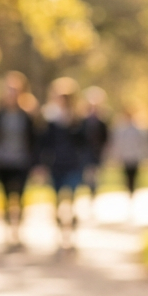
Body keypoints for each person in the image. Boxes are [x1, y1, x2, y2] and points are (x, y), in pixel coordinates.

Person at [0, 71, 41, 250]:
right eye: (9, 89)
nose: (11, 93)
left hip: (21, 161)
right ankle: (9, 232)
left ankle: (18, 232)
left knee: (20, 197)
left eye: (15, 90)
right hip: (3, 161)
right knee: (6, 198)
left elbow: (35, 140)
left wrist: (36, 163)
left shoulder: (27, 115)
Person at [41, 78, 88, 250]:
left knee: (71, 197)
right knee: (58, 199)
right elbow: (44, 142)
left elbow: (84, 143)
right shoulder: (50, 118)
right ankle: (61, 230)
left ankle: (71, 228)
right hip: (56, 164)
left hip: (73, 163)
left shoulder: (77, 119)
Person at [111, 106, 148, 202]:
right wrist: (116, 156)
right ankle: (129, 192)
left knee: (134, 177)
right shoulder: (121, 129)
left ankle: (132, 193)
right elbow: (118, 144)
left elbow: (142, 143)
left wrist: (145, 155)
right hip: (125, 157)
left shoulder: (137, 129)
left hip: (135, 157)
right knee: (127, 177)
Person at [81, 86, 111, 209]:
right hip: (86, 153)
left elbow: (106, 138)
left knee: (95, 176)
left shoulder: (102, 122)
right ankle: (89, 195)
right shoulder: (83, 120)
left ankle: (93, 196)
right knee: (88, 176)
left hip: (97, 153)